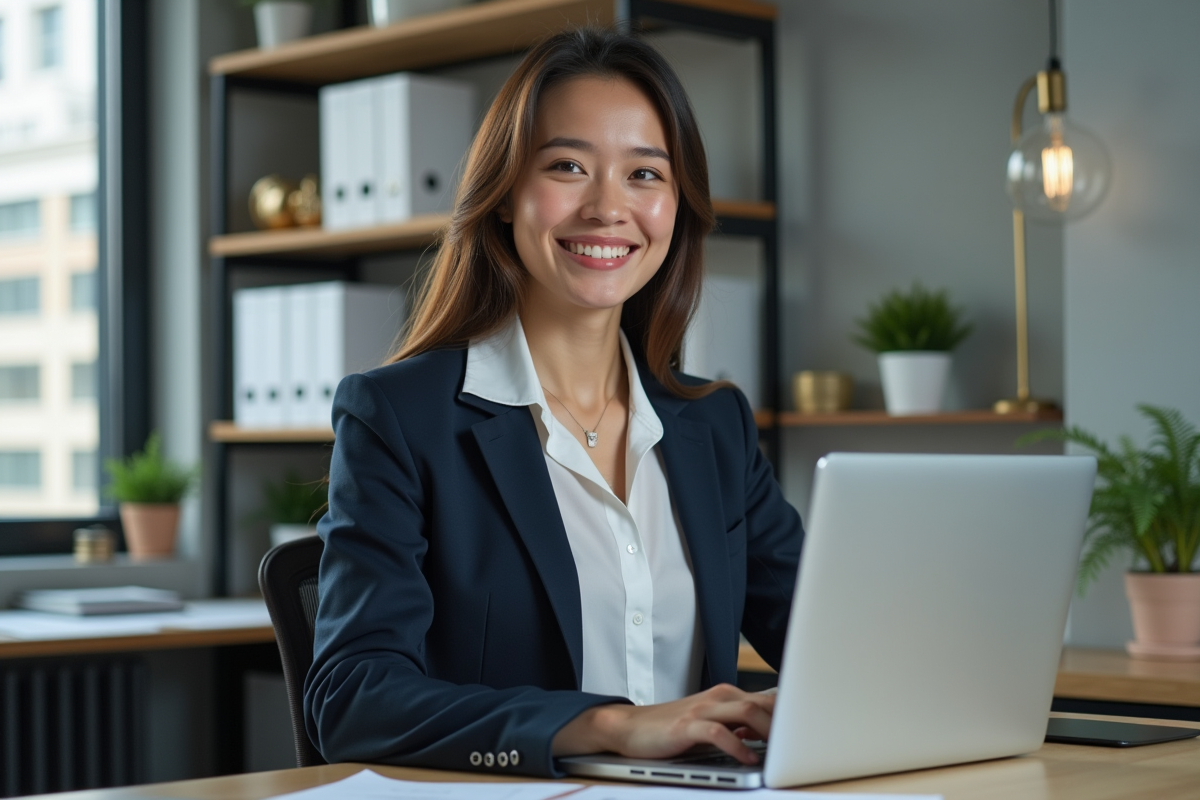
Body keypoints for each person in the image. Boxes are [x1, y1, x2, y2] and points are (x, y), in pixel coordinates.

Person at [305, 26, 803, 778]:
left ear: (677, 206)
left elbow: (826, 638)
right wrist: (607, 726)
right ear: (505, 195)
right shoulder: (400, 418)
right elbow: (353, 698)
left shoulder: (714, 425)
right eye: (568, 166)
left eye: (645, 175)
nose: (609, 208)